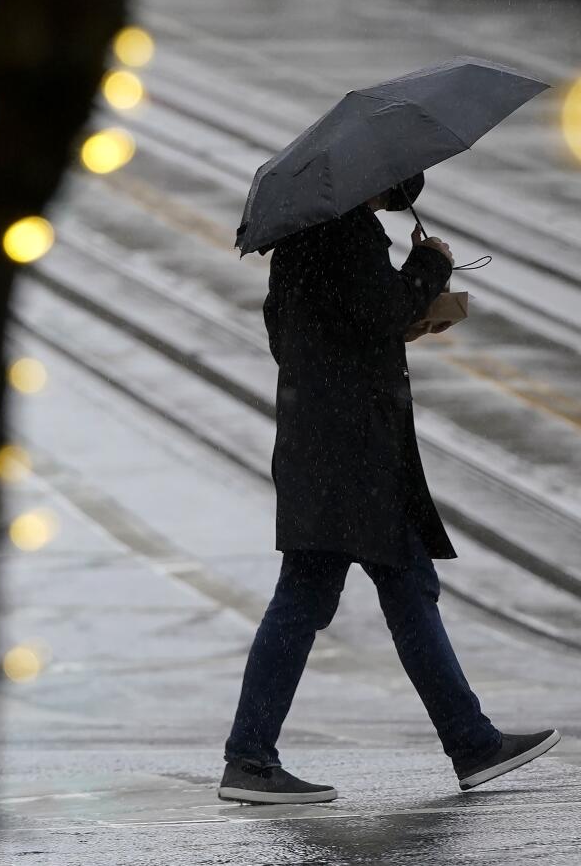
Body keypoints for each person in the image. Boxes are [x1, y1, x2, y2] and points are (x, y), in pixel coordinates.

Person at [219, 172, 560, 804]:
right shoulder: (346, 236)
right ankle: (251, 759)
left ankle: (468, 743)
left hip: (324, 446)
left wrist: (397, 322)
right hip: (356, 453)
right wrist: (428, 265)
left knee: (384, 589)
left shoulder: (300, 243)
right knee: (328, 595)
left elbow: (308, 333)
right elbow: (382, 310)